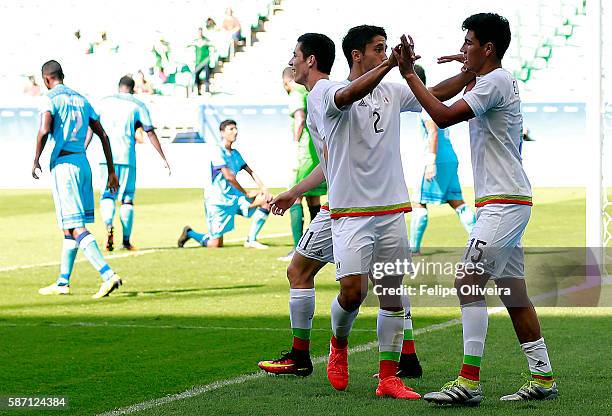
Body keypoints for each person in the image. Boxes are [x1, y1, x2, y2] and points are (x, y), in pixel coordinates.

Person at [260, 27, 473, 399]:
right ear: (357, 55)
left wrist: (472, 70)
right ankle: (337, 344)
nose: (386, 51)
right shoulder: (325, 91)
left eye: (386, 47)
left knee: (391, 295)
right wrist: (393, 63)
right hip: (350, 212)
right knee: (353, 292)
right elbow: (347, 97)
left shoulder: (391, 89)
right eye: (379, 48)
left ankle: (389, 377)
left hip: (391, 208)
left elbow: (435, 95)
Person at [393, 13, 557, 404]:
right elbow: (442, 91)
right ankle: (544, 378)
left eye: (469, 42)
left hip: (504, 201)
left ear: (488, 49)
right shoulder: (488, 77)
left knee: (467, 281)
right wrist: (452, 69)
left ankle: (468, 382)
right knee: (514, 293)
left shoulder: (494, 82)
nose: (462, 47)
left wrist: (409, 75)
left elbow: (443, 114)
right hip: (505, 200)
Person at [34, 60, 123, 299]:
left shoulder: (50, 98)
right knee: (68, 228)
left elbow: (44, 130)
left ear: (46, 78)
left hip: (64, 165)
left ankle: (107, 275)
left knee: (75, 226)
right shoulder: (82, 100)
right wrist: (112, 170)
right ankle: (63, 282)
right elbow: (102, 133)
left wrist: (36, 159)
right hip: (83, 164)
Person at [87, 75, 171, 251]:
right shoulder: (138, 105)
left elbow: (91, 128)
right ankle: (126, 240)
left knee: (107, 195)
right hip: (127, 157)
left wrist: (83, 148)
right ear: (133, 89)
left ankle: (108, 224)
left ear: (119, 87)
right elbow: (149, 131)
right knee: (127, 199)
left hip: (105, 157)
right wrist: (163, 157)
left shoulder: (103, 102)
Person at [409, 64, 476, 255]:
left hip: (436, 159)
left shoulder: (425, 105)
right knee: (458, 202)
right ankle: (481, 242)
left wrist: (430, 162)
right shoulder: (435, 102)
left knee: (419, 203)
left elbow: (433, 133)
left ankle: (413, 250)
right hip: (450, 158)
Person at [178, 119, 271, 249]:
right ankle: (190, 233)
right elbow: (228, 177)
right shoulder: (217, 151)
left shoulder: (235, 153)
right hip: (218, 201)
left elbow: (251, 171)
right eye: (231, 129)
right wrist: (247, 193)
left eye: (236, 129)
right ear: (222, 132)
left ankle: (251, 240)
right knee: (215, 244)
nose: (235, 132)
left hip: (235, 198)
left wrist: (263, 188)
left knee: (265, 200)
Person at [279, 67, 327, 261]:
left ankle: (298, 249)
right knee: (313, 199)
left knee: (295, 197)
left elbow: (299, 118)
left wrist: (294, 143)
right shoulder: (309, 92)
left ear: (285, 82)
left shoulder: (296, 92)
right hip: (316, 152)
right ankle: (316, 246)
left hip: (304, 154)